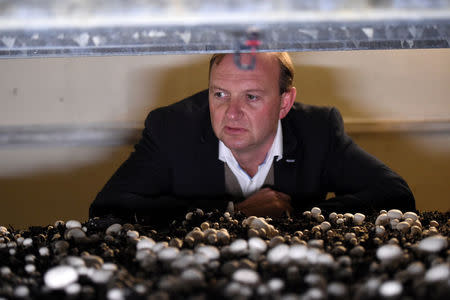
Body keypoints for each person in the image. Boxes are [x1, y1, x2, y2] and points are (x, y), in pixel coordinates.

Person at [90, 52, 415, 225]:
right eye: (219, 94)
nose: (231, 113)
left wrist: (292, 214)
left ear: (285, 103)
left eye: (251, 97)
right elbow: (107, 208)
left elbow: (395, 194)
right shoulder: (172, 127)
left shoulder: (318, 128)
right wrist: (234, 213)